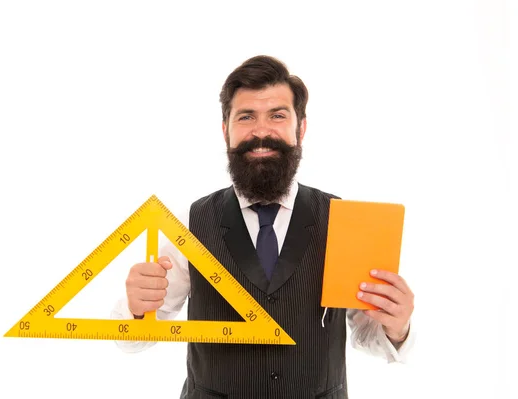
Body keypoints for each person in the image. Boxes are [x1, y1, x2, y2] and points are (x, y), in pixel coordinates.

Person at [111, 55, 415, 398]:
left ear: (300, 128)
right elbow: (135, 339)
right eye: (246, 117)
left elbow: (369, 337)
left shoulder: (344, 219)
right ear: (225, 130)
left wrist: (397, 327)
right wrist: (136, 309)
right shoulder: (190, 224)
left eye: (277, 116)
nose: (261, 131)